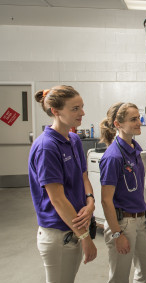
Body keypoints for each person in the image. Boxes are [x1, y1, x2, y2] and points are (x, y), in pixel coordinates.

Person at [29, 86, 97, 282]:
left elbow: (84, 176)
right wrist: (85, 238)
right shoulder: (47, 147)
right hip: (59, 234)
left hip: (74, 228)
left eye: (82, 107)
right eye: (75, 109)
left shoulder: (74, 139)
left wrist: (90, 202)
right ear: (55, 112)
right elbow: (57, 199)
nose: (82, 113)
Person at [99, 102, 146, 283]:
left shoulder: (135, 151)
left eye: (138, 118)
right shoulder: (113, 157)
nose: (139, 122)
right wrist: (117, 234)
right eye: (133, 119)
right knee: (120, 277)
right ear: (117, 124)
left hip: (140, 220)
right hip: (122, 223)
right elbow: (106, 201)